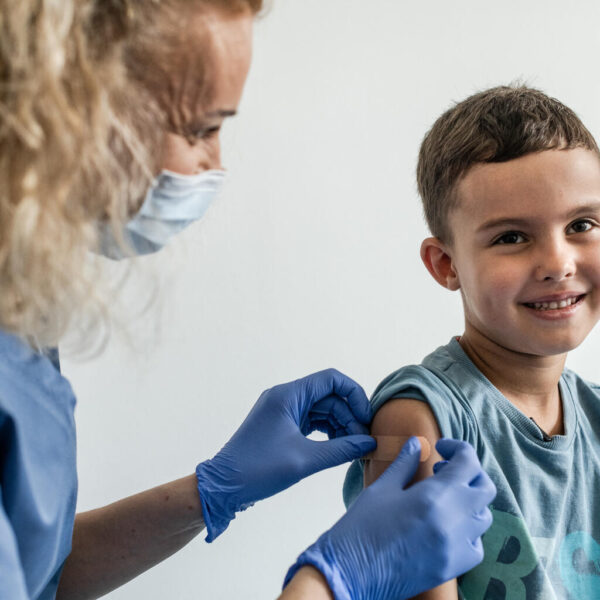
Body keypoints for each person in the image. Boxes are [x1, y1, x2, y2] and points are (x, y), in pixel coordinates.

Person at [0, 1, 496, 599]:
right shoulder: (423, 407)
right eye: (200, 129)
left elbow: (36, 579)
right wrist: (333, 580)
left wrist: (208, 492)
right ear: (62, 108)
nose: (215, 164)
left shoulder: (18, 316)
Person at [343, 84, 600, 599]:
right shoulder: (423, 417)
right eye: (511, 237)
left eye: (581, 224)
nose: (557, 264)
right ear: (446, 264)